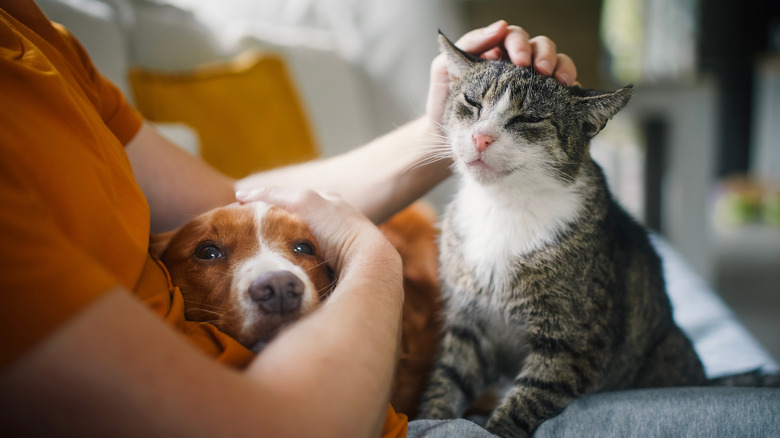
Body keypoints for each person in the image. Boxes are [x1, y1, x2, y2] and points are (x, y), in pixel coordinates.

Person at [0, 1, 577, 436]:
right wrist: (369, 255)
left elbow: (236, 202)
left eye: (304, 252)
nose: (280, 279)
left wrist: (439, 134)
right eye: (206, 254)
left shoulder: (41, 39)